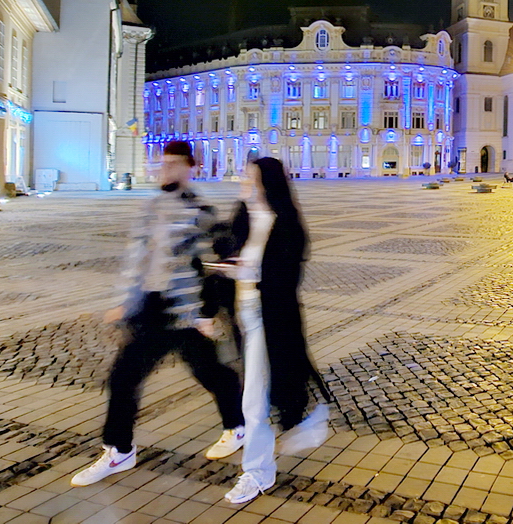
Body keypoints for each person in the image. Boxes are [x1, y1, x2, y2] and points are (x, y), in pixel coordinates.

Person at [72, 141, 245, 488]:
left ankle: (238, 424)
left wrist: (206, 311)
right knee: (124, 379)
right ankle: (120, 450)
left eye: (172, 165)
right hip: (151, 307)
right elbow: (137, 258)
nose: (164, 170)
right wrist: (125, 302)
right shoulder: (150, 206)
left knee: (209, 372)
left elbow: (220, 260)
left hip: (182, 311)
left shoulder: (200, 210)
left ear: (188, 168)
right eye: (162, 164)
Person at [224, 157, 330, 505]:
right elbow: (224, 255)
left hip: (270, 319)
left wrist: (248, 273)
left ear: (267, 184)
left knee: (253, 400)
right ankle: (300, 425)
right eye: (244, 176)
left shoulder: (285, 225)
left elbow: (285, 280)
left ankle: (256, 471)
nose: (244, 182)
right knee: (263, 393)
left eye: (250, 178)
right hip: (244, 317)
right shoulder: (242, 219)